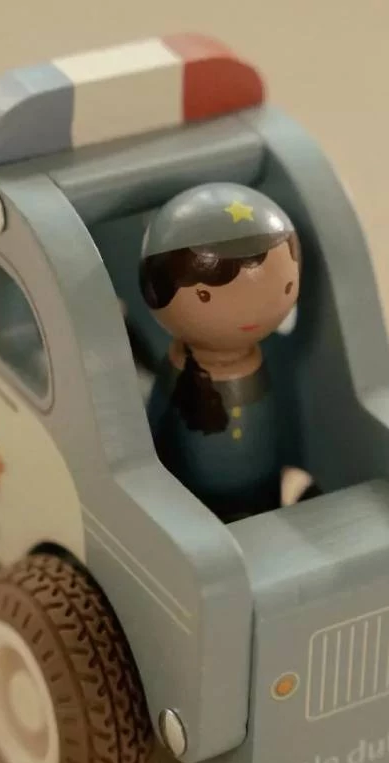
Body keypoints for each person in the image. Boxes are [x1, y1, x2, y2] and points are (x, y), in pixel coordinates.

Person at [139, 182, 301, 521]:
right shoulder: (180, 368)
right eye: (205, 295)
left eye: (285, 286)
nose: (250, 311)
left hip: (264, 487)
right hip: (194, 498)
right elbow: (153, 428)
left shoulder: (262, 362)